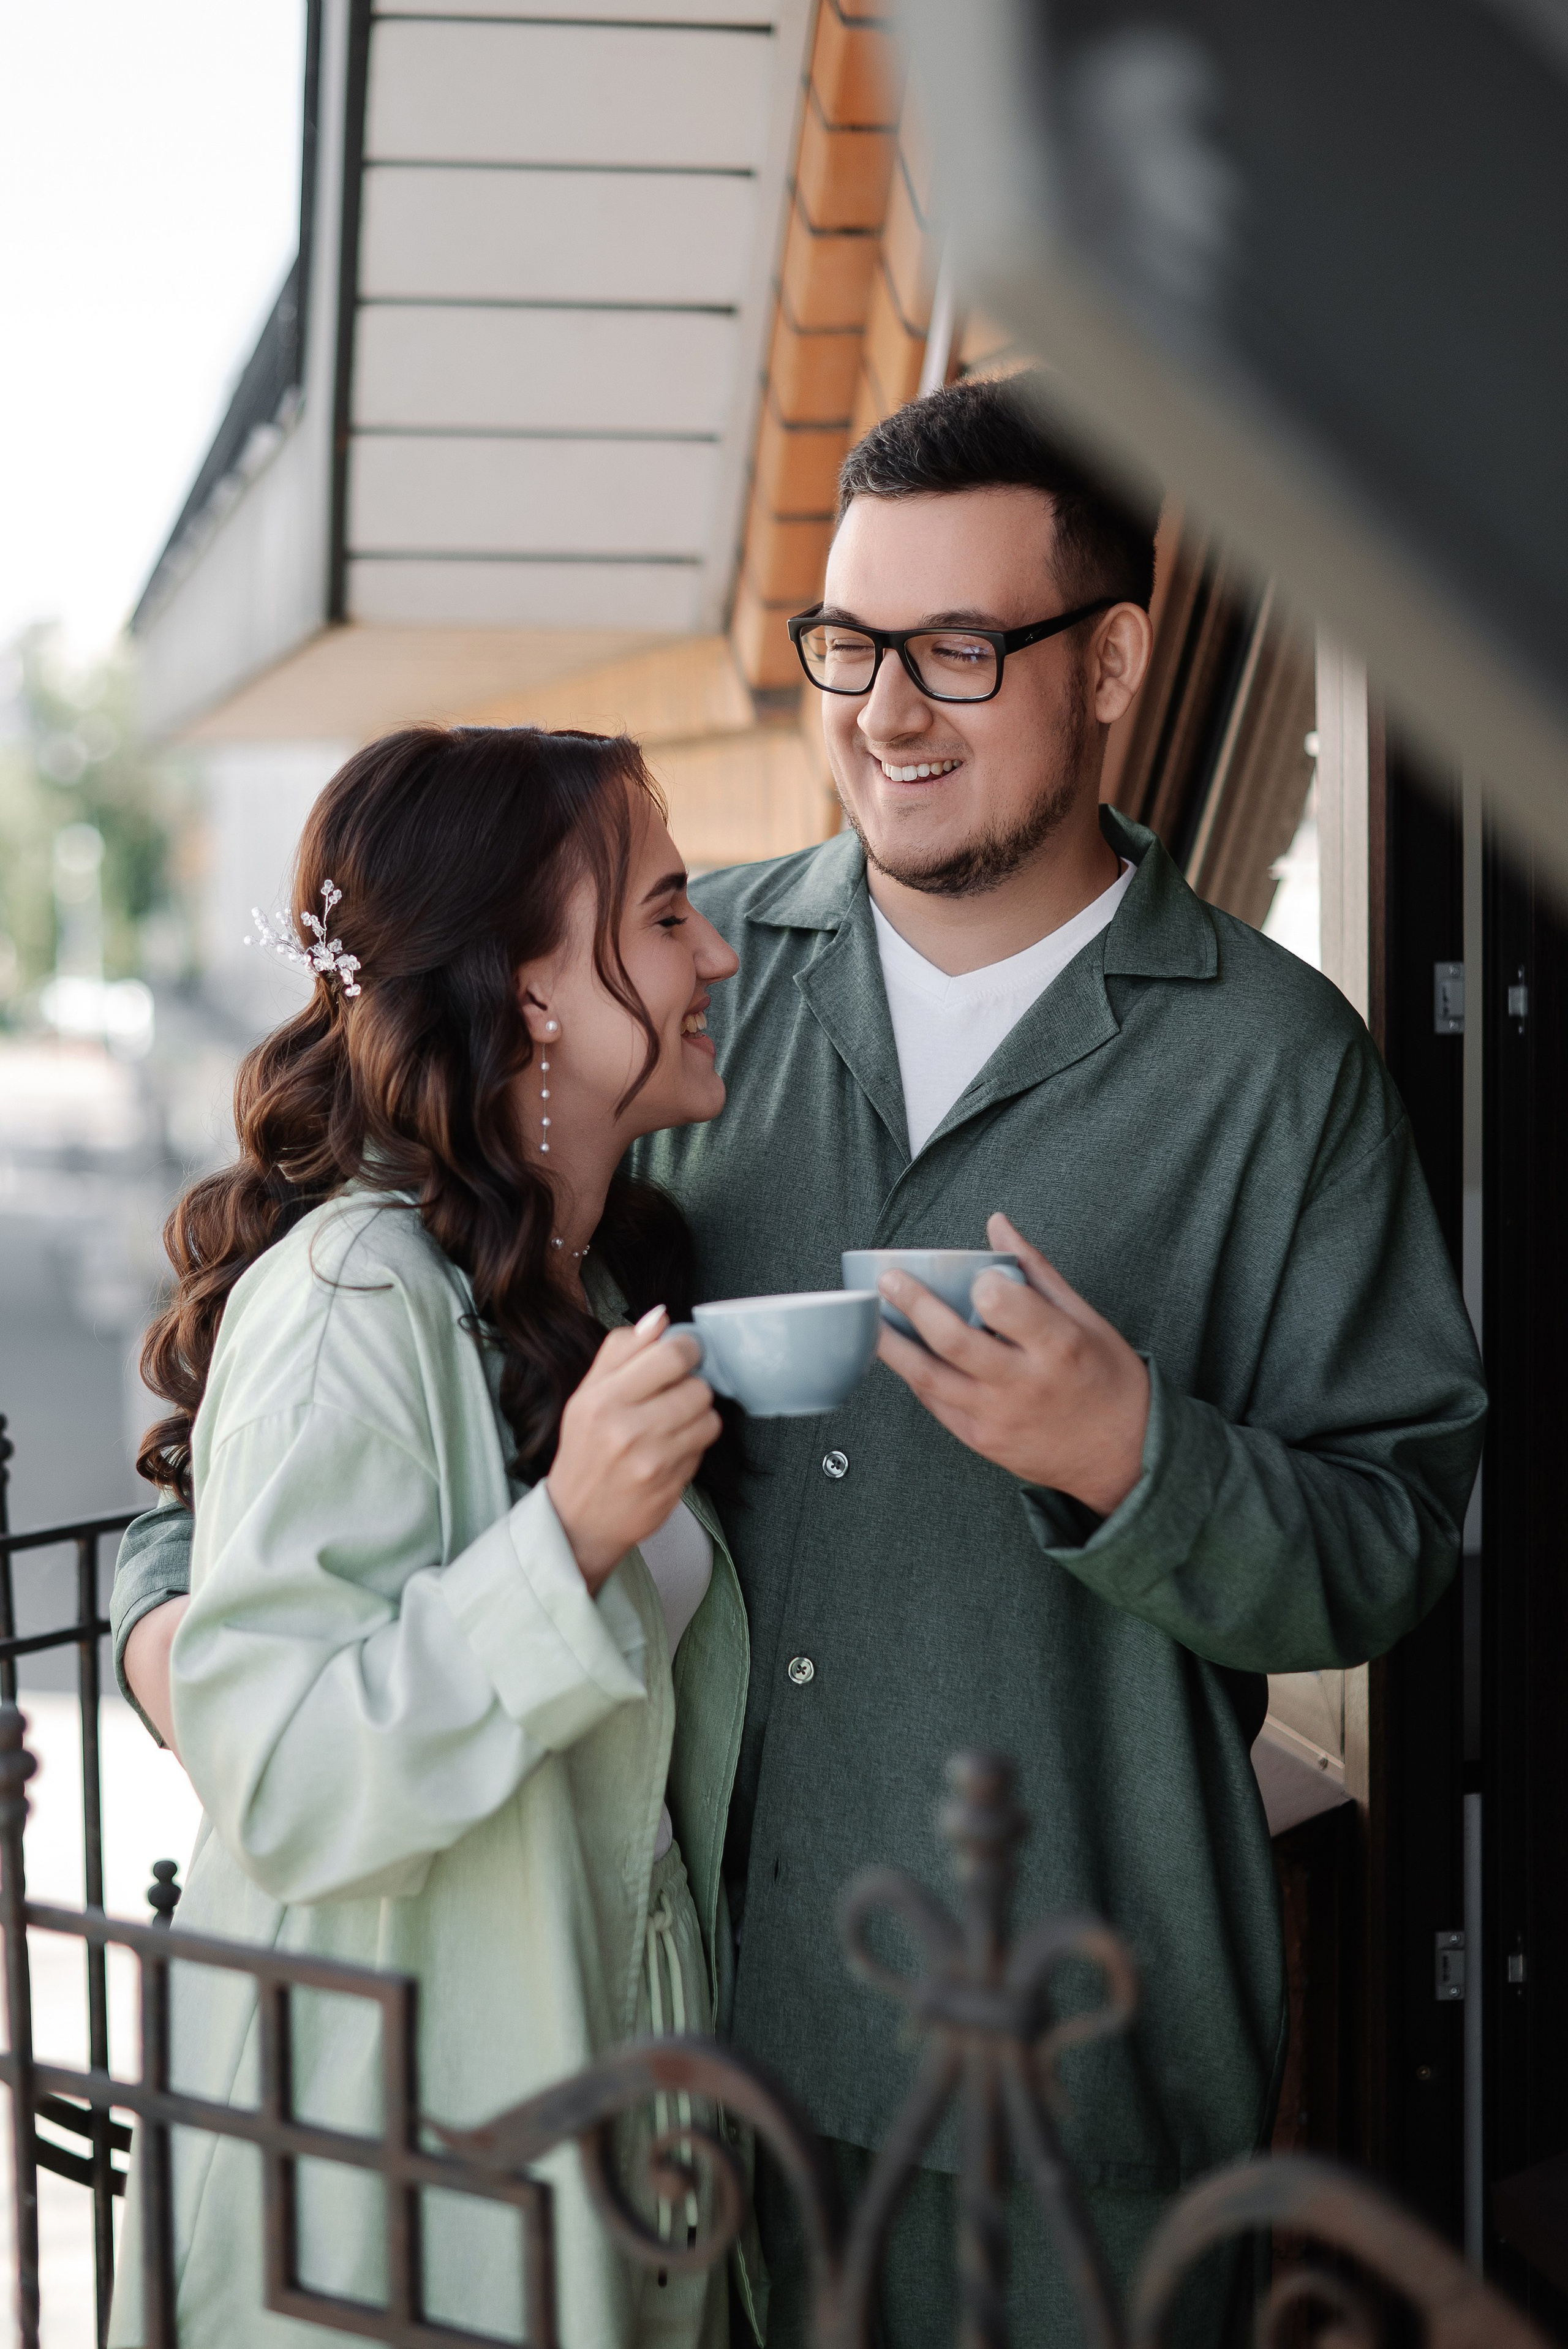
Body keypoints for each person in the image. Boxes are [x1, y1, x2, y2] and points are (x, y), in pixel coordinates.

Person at [118, 377, 1487, 2344]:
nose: (882, 711)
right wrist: (210, 1675)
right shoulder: (664, 995)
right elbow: (304, 1363)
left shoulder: (1279, 1072)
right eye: (847, 642)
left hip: (1054, 2105)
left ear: (1112, 663)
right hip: (663, 2063)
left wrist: (1135, 1454)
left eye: (956, 647)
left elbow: (1387, 1547)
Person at [107, 725, 760, 2349]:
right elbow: (286, 1773)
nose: (720, 951)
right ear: (537, 987)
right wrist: (572, 1543)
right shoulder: (356, 1298)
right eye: (669, 911)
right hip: (399, 2198)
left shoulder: (573, 1290)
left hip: (593, 2136)